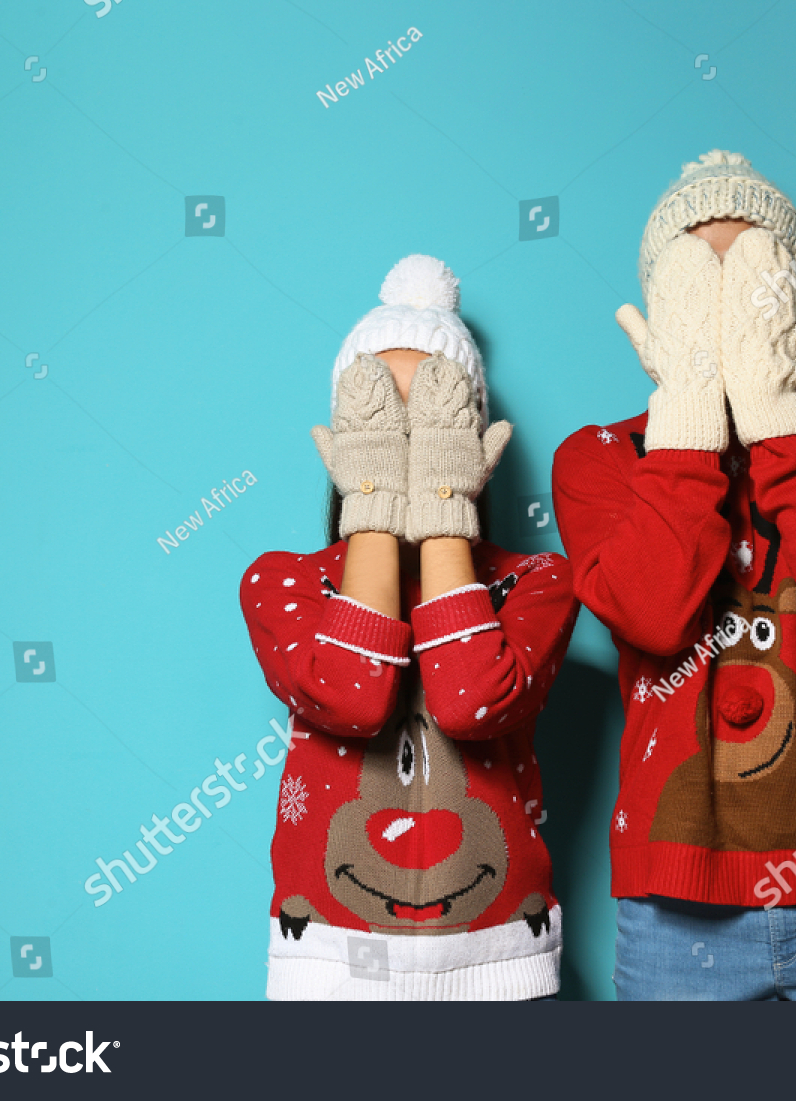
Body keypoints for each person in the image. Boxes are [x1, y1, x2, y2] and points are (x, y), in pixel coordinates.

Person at [551, 151, 796, 1000]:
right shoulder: (601, 457)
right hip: (676, 905)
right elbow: (653, 616)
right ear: (663, 308)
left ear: (792, 295)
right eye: (703, 283)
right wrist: (690, 418)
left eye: (751, 277)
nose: (728, 309)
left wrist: (774, 413)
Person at [242, 254, 579, 1000]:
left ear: (473, 436)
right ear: (342, 439)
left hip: (501, 963)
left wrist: (441, 499)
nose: (404, 435)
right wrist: (373, 500)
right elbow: (353, 698)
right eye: (379, 415)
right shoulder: (284, 580)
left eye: (430, 413)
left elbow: (469, 702)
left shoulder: (536, 581)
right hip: (331, 965)